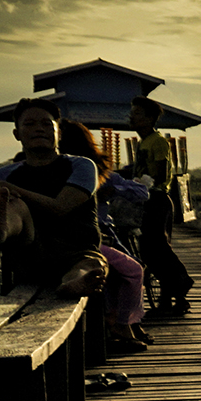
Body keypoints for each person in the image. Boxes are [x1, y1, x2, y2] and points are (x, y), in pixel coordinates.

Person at [0, 100, 109, 298]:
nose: (39, 129)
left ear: (59, 133)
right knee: (15, 206)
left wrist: (10, 188)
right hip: (26, 254)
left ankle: (74, 283)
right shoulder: (2, 175)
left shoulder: (81, 166)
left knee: (90, 265)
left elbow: (60, 207)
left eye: (47, 124)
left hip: (75, 254)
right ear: (17, 134)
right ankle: (0, 229)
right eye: (29, 124)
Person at [59, 119, 153, 354]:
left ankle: (125, 321)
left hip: (96, 238)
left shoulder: (86, 170)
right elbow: (142, 192)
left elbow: (141, 192)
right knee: (133, 270)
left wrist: (113, 190)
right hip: (85, 242)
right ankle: (122, 324)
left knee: (124, 269)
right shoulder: (81, 170)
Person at [123, 96, 194, 314]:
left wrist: (140, 181)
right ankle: (166, 301)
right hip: (146, 199)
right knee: (149, 251)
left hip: (157, 199)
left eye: (137, 113)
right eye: (132, 112)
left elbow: (161, 173)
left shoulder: (158, 142)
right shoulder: (143, 142)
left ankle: (181, 287)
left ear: (150, 119)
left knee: (157, 249)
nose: (131, 117)